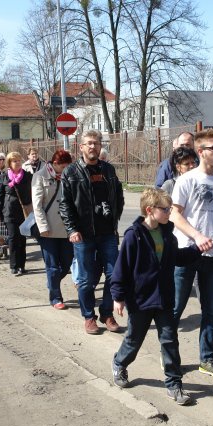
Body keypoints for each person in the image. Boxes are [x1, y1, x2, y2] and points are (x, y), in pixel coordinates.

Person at [110, 188, 201, 405]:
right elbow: (122, 268)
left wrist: (197, 249)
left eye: (170, 208)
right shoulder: (134, 236)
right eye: (165, 209)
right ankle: (119, 363)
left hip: (164, 299)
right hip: (141, 299)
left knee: (169, 340)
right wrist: (118, 296)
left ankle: (174, 384)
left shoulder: (167, 234)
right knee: (134, 340)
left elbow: (177, 258)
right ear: (150, 210)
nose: (170, 212)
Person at [170, 128, 213, 379]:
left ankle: (206, 359)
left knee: (211, 310)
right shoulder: (187, 180)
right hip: (187, 252)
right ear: (200, 152)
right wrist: (196, 236)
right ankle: (170, 356)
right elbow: (174, 214)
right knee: (176, 308)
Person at [60, 130, 124, 335]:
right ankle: (89, 317)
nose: (93, 147)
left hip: (107, 234)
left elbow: (119, 198)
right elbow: (65, 204)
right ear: (81, 147)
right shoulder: (71, 172)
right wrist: (72, 229)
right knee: (86, 279)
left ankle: (107, 313)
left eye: (96, 143)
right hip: (83, 235)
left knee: (114, 275)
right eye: (88, 143)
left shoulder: (109, 170)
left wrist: (114, 220)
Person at [32, 149, 74, 308]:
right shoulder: (40, 176)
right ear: (55, 164)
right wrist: (43, 226)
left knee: (67, 262)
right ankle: (56, 298)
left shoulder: (69, 176)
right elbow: (37, 206)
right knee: (53, 266)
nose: (66, 170)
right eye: (63, 167)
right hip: (48, 230)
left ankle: (52, 282)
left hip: (66, 229)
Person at [0, 152, 32, 276]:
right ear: (9, 163)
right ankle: (14, 265)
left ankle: (22, 265)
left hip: (24, 211)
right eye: (14, 161)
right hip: (9, 211)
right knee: (12, 238)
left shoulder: (27, 176)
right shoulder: (3, 177)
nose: (17, 163)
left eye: (18, 160)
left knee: (22, 239)